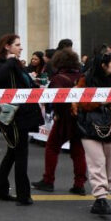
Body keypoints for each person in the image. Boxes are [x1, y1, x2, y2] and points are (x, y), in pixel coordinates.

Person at [0, 34, 43, 206]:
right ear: (7, 47)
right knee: (20, 154)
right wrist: (11, 61)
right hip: (14, 115)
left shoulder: (16, 64)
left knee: (13, 152)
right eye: (17, 45)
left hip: (22, 113)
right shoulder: (2, 64)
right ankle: (23, 194)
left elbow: (24, 85)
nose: (21, 48)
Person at [32, 48, 87, 195]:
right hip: (79, 118)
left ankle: (48, 180)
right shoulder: (81, 76)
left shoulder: (58, 79)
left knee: (52, 148)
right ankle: (79, 184)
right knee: (78, 151)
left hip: (63, 118)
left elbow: (56, 99)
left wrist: (56, 113)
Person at [74, 53, 111, 217]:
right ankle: (100, 197)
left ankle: (105, 193)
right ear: (103, 65)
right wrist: (104, 101)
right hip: (89, 126)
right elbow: (82, 102)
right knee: (96, 162)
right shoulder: (85, 79)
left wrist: (105, 101)